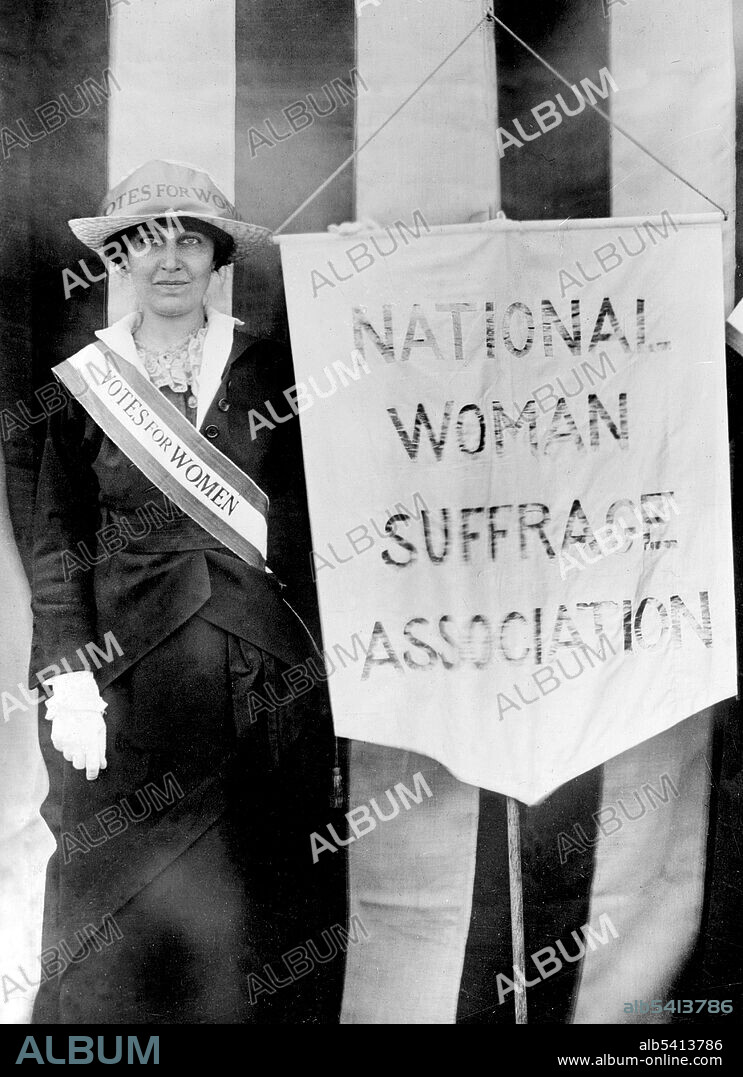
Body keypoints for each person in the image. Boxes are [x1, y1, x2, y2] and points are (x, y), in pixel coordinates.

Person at [29, 160, 342, 1024]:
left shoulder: (273, 371)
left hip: (259, 678)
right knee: (114, 908)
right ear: (121, 257)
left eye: (191, 242)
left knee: (264, 899)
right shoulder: (82, 385)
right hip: (127, 686)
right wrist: (69, 678)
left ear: (217, 259)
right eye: (148, 242)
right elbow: (56, 547)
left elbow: (316, 529)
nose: (169, 260)